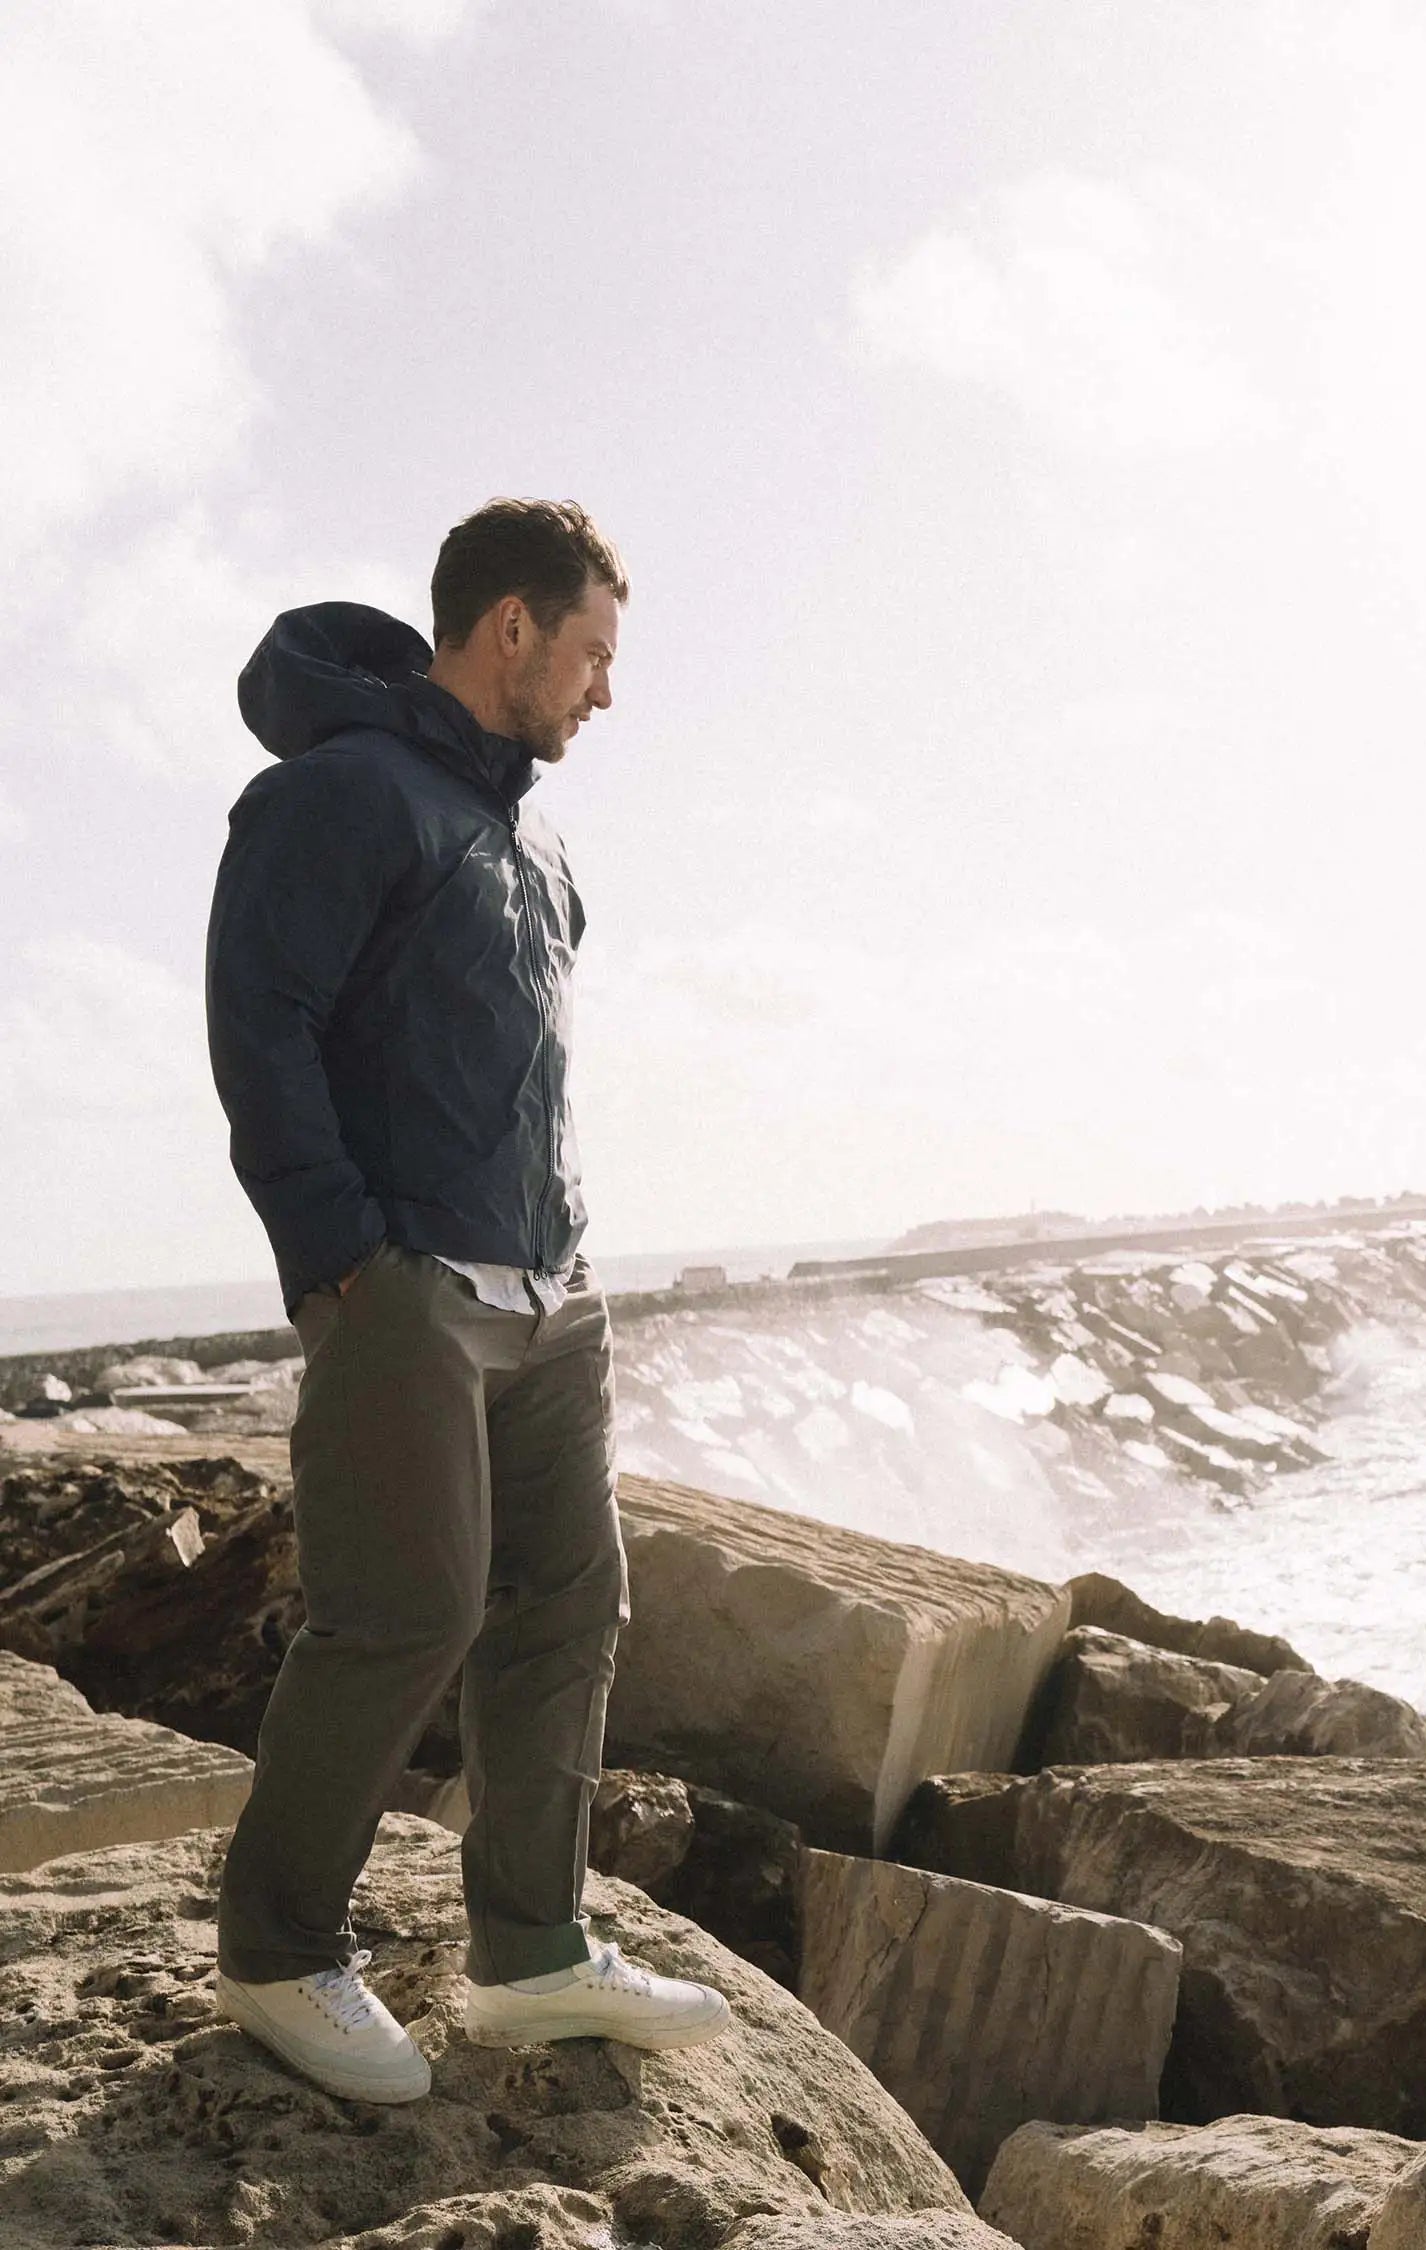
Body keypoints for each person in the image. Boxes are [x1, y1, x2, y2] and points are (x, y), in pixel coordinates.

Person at [204, 498, 730, 2103]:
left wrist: (565, 1250)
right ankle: (279, 1946)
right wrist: (339, 1254)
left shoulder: (533, 830)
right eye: (591, 653)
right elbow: (260, 1016)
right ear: (511, 627)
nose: (604, 691)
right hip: (408, 1286)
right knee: (404, 1614)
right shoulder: (342, 791)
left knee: (569, 1602)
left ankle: (530, 1953)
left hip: (551, 1287)